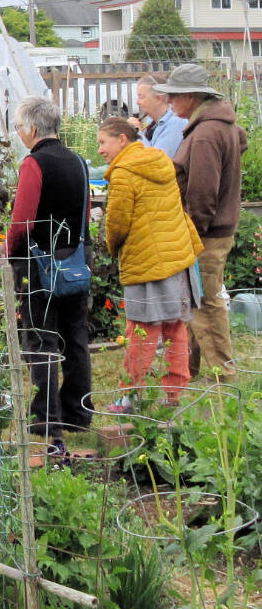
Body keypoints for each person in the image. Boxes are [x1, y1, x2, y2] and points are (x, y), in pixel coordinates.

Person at [3, 96, 93, 450]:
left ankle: (47, 417)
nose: (19, 133)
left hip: (40, 262)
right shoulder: (79, 162)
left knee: (41, 340)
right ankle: (78, 410)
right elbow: (84, 213)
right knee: (76, 337)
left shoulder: (33, 164)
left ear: (33, 129)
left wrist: (10, 253)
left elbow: (21, 219)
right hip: (75, 260)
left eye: (19, 127)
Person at [97, 117, 202, 406]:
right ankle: (174, 394)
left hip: (146, 261)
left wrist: (112, 247)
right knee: (175, 327)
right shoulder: (160, 161)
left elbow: (117, 223)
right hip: (176, 256)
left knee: (141, 330)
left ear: (122, 140)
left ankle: (129, 396)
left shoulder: (123, 173)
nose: (100, 150)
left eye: (103, 142)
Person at [153, 63, 248, 380]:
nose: (169, 103)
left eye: (174, 96)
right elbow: (242, 141)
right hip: (212, 230)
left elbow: (203, 192)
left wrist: (191, 232)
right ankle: (186, 368)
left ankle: (224, 373)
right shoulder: (216, 125)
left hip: (205, 233)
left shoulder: (206, 133)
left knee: (206, 303)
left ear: (191, 96)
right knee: (195, 299)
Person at [126, 74, 186, 159]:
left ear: (158, 99)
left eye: (141, 97)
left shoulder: (176, 123)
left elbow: (157, 162)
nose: (137, 102)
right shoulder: (150, 122)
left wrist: (136, 132)